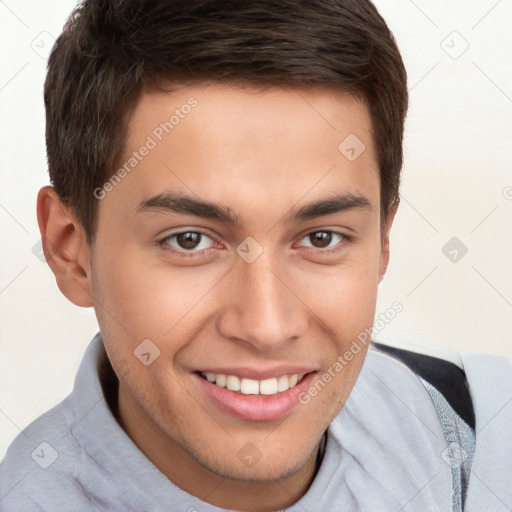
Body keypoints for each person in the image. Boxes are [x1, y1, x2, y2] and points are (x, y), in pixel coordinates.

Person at [1, 0, 510, 511]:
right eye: (190, 240)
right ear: (71, 251)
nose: (266, 327)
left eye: (321, 238)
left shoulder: (491, 433)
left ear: (381, 242)